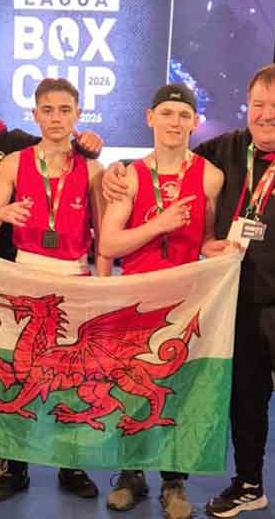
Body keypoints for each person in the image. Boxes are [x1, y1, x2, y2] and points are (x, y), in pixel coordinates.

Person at [103, 63, 275, 519]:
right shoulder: (226, 149)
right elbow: (172, 154)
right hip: (237, 301)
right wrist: (113, 172)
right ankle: (248, 483)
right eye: (258, 105)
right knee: (244, 400)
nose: (266, 115)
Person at [0, 70, 104, 481]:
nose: (56, 118)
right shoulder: (15, 162)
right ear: (34, 114)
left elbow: (104, 237)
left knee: (75, 375)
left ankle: (72, 467)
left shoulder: (93, 169)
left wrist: (105, 289)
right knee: (21, 373)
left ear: (78, 114)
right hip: (26, 273)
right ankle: (15, 466)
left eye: (65, 110)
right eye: (47, 110)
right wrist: (1, 213)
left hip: (75, 276)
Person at [98, 83, 224, 516]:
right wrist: (160, 224)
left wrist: (214, 247)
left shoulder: (210, 175)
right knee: (132, 390)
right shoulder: (130, 175)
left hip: (187, 300)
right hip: (137, 300)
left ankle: (175, 483)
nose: (175, 123)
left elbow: (207, 237)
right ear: (151, 118)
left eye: (183, 115)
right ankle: (131, 477)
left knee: (178, 391)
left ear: (194, 122)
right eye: (167, 114)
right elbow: (110, 244)